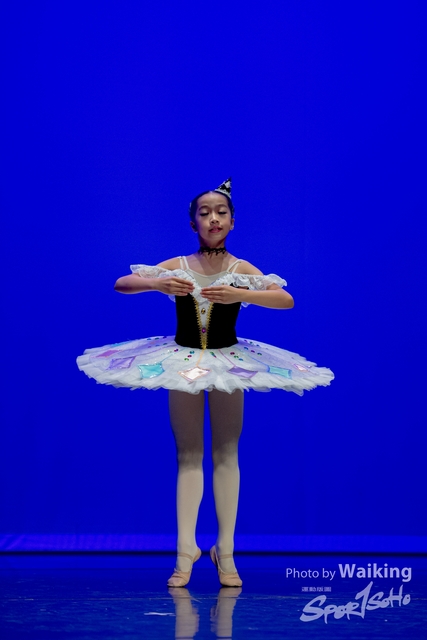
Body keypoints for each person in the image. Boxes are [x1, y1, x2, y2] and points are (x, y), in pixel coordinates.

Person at [76, 178, 334, 588]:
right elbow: (122, 283)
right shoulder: (178, 264)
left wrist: (241, 295)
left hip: (231, 364)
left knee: (227, 453)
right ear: (193, 222)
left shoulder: (241, 269)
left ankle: (225, 552)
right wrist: (157, 283)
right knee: (189, 454)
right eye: (205, 212)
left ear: (232, 221)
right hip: (182, 362)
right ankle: (185, 551)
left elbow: (285, 299)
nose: (213, 218)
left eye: (221, 212)